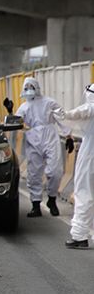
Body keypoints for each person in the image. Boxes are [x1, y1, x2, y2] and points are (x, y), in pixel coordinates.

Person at [15, 77, 72, 217]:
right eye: (26, 87)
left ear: (37, 87)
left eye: (31, 86)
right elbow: (16, 122)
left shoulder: (49, 102)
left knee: (55, 171)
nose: (29, 90)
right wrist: (10, 111)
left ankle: (51, 199)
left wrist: (68, 136)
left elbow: (61, 118)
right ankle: (35, 205)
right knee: (34, 173)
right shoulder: (23, 107)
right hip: (33, 138)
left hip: (50, 136)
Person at [56, 84, 94, 249]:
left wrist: (61, 114)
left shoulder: (90, 108)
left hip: (90, 155)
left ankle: (79, 236)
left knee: (83, 192)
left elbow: (76, 114)